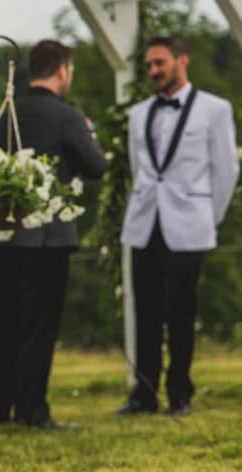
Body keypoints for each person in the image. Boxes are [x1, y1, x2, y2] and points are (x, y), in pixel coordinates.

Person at [0, 39, 107, 429]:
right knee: (40, 326)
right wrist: (89, 132)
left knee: (7, 322)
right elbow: (96, 167)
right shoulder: (68, 116)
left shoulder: (10, 112)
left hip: (7, 232)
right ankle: (32, 411)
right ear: (62, 70)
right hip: (48, 238)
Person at [116, 36, 239, 416]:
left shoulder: (215, 110)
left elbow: (225, 172)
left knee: (181, 313)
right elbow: (141, 170)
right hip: (145, 223)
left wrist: (207, 217)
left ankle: (180, 394)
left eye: (160, 63)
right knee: (145, 312)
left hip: (189, 224)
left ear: (182, 60)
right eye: (149, 65)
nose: (154, 71)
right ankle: (144, 393)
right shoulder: (138, 114)